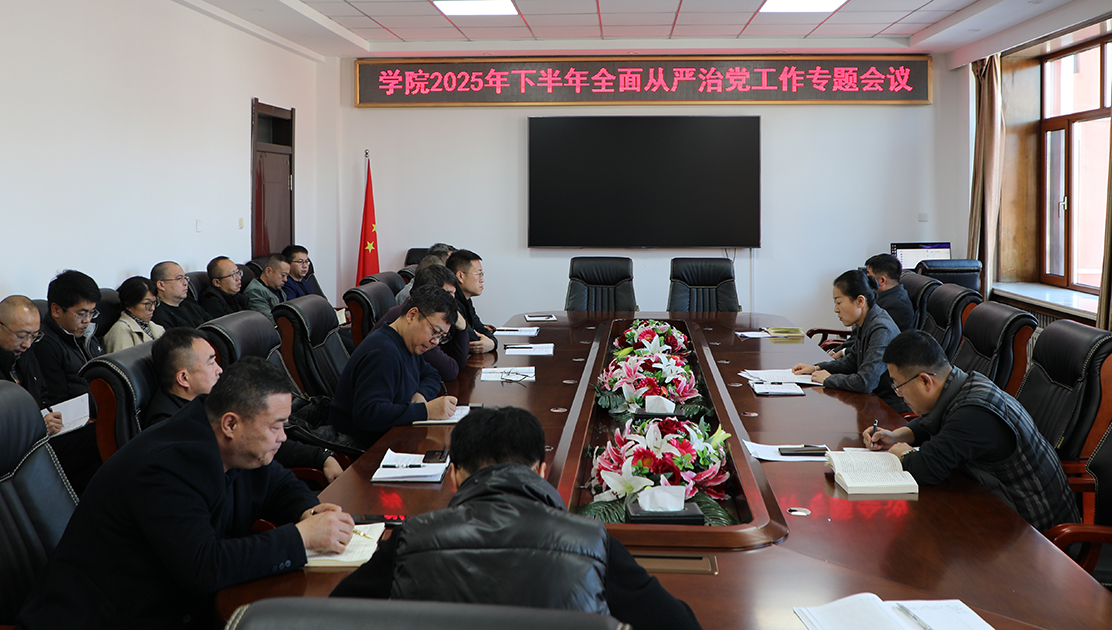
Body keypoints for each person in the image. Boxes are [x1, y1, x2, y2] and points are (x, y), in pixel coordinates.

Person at [16, 357, 355, 630]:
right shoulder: (167, 466)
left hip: (174, 606)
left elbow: (278, 484)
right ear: (231, 424)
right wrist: (301, 538)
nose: (283, 437)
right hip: (109, 619)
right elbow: (203, 567)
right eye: (276, 426)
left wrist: (308, 511)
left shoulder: (232, 443)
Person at [331, 406, 702, 630]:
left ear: (455, 475)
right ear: (541, 471)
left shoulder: (412, 539)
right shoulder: (591, 541)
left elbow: (333, 615)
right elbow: (680, 624)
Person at [863, 330, 1079, 533]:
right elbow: (938, 421)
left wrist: (904, 454)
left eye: (898, 386)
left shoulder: (973, 413)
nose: (899, 394)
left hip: (1034, 528)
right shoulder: (964, 384)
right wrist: (896, 436)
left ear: (925, 381)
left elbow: (926, 468)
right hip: (1001, 500)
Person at [146, 328, 343, 483]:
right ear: (183, 378)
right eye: (211, 363)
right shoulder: (170, 429)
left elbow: (264, 441)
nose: (219, 370)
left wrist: (321, 456)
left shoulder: (207, 401)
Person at [330, 285, 459, 448]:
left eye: (441, 337)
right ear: (412, 315)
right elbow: (368, 414)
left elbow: (432, 375)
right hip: (365, 449)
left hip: (394, 436)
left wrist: (421, 394)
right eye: (434, 331)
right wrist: (425, 411)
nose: (435, 342)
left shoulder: (408, 343)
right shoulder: (383, 352)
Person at [792, 269, 907, 413]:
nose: (836, 309)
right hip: (870, 401)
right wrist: (816, 368)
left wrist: (828, 379)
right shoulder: (867, 321)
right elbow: (852, 361)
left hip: (888, 410)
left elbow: (866, 382)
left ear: (860, 301)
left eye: (839, 302)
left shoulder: (881, 329)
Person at [373, 265, 468, 381]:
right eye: (447, 295)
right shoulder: (412, 323)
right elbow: (449, 371)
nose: (452, 302)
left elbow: (431, 374)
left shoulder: (426, 319)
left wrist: (462, 328)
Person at [35, 269, 104, 405]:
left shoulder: (87, 334)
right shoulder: (46, 345)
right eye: (81, 314)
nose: (87, 320)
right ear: (56, 310)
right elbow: (59, 401)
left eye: (91, 313)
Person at [0, 295, 63, 436]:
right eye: (21, 336)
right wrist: (37, 427)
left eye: (34, 336)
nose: (27, 344)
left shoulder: (25, 354)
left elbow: (43, 395)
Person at [446, 249, 497, 353]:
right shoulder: (450, 302)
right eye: (479, 274)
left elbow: (481, 329)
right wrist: (491, 342)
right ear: (460, 276)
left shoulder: (466, 300)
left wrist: (492, 343)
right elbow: (472, 339)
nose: (482, 280)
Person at [103, 276, 165, 353]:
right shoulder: (120, 332)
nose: (152, 308)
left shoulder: (156, 328)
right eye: (147, 303)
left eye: (154, 302)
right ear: (129, 305)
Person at [150, 261, 210, 328]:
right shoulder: (159, 316)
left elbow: (213, 325)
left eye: (185, 278)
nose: (186, 283)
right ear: (161, 285)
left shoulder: (189, 302)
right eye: (179, 278)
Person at [865, 253, 915, 332]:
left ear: (882, 281)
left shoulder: (897, 306)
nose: (866, 279)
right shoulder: (885, 297)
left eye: (869, 275)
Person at [244, 254, 289, 325]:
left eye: (287, 276)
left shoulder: (278, 289)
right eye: (283, 275)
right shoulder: (255, 292)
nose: (285, 280)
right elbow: (268, 321)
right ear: (268, 271)